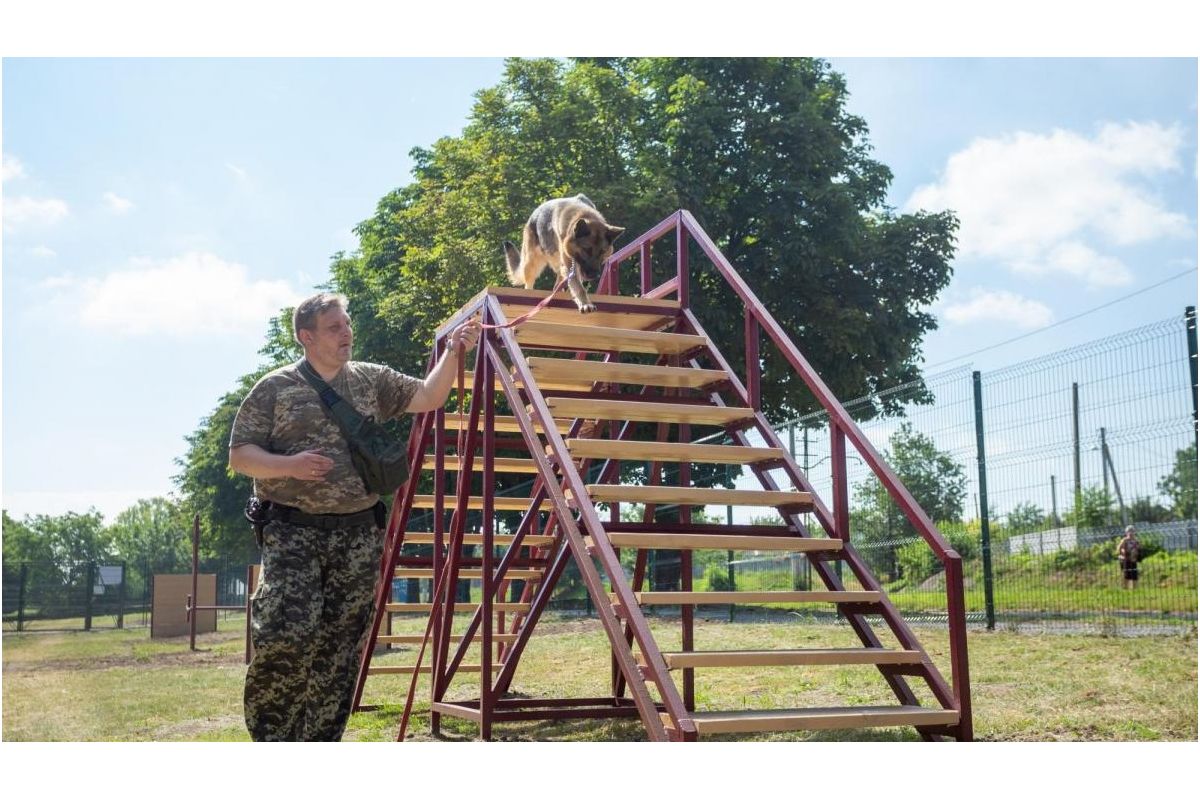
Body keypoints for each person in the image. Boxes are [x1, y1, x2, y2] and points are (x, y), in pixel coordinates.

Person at [229, 291, 481, 741]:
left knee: (342, 645)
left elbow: (428, 395)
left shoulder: (369, 380)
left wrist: (452, 352)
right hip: (292, 531)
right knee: (286, 635)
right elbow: (240, 455)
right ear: (307, 337)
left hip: (358, 534)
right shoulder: (275, 388)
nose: (346, 332)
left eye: (346, 324)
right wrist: (289, 465)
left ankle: (322, 744)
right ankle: (273, 743)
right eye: (334, 327)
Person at [1116, 525, 1141, 590]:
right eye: (1129, 531)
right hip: (1126, 559)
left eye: (1132, 531)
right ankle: (1125, 589)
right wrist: (1123, 551)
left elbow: (1139, 548)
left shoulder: (1136, 540)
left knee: (1134, 575)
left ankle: (1135, 589)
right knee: (1126, 574)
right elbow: (1119, 548)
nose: (1131, 533)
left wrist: (1136, 551)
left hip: (1133, 559)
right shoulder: (1124, 540)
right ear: (1126, 533)